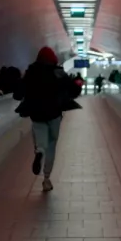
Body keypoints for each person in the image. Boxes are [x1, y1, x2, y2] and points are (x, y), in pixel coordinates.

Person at [14, 47, 81, 192]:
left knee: (41, 141)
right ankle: (46, 179)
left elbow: (18, 94)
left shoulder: (31, 72)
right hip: (54, 113)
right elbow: (73, 91)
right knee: (52, 144)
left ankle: (39, 151)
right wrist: (77, 83)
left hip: (36, 113)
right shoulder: (58, 72)